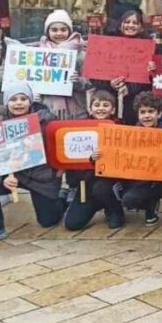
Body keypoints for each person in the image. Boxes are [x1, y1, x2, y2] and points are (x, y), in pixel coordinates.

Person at [0, 83, 64, 246]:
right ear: (6, 103)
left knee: (48, 221)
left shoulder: (47, 120)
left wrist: (58, 171)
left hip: (41, 178)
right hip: (16, 175)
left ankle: (62, 200)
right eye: (13, 99)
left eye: (23, 99)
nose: (18, 103)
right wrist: (3, 179)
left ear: (30, 101)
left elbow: (60, 144)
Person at [109, 91, 162, 226]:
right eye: (143, 112)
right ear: (138, 114)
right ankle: (150, 204)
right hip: (143, 181)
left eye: (151, 111)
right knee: (128, 200)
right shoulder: (132, 134)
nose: (147, 116)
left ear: (158, 113)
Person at [62, 89, 120, 232]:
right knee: (72, 224)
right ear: (90, 108)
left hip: (108, 182)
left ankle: (114, 210)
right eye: (97, 104)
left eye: (106, 105)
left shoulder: (120, 128)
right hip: (85, 184)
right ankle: (94, 204)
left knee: (102, 188)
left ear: (113, 110)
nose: (101, 108)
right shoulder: (81, 130)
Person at [90, 9, 152, 125]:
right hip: (110, 102)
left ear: (141, 27)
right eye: (127, 22)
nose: (130, 25)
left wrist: (129, 88)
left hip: (136, 102)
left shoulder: (150, 47)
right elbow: (94, 75)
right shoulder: (106, 44)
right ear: (120, 25)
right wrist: (110, 83)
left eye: (135, 23)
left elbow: (152, 78)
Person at [36, 9, 90, 122]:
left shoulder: (81, 53)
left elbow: (90, 82)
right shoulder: (39, 53)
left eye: (63, 29)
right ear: (47, 32)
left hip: (77, 111)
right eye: (54, 30)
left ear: (69, 31)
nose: (59, 33)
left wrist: (78, 82)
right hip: (48, 110)